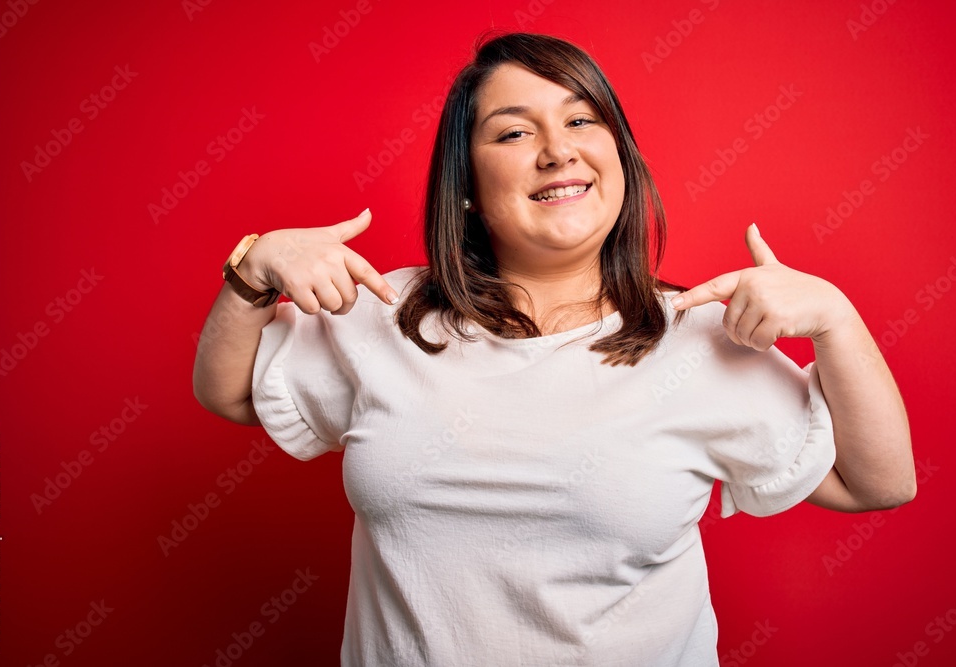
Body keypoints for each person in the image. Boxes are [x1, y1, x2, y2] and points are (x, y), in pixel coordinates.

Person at [193, 32, 915, 667]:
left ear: (618, 158)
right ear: (467, 186)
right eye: (513, 133)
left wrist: (837, 320)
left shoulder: (700, 338)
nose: (557, 149)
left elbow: (876, 483)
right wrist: (253, 270)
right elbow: (229, 392)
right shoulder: (384, 310)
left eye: (580, 119)